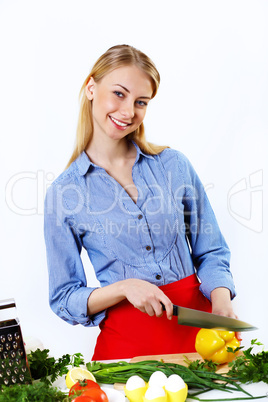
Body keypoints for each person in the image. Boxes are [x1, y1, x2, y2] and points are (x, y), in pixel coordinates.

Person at [44, 44, 238, 360]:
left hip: (203, 340)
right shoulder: (64, 194)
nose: (128, 111)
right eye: (118, 94)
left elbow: (212, 249)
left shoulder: (174, 165)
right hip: (126, 351)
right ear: (91, 87)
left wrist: (221, 300)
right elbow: (64, 297)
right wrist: (124, 288)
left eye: (140, 102)